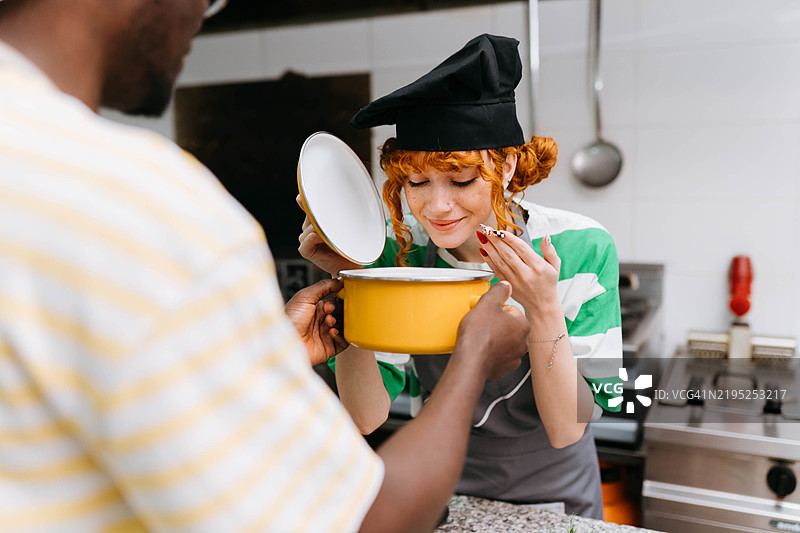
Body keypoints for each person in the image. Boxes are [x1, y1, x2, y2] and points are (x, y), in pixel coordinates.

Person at [0, 2, 531, 532]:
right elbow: (367, 521)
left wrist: (267, 354)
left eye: (459, 180)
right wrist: (474, 359)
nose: (206, 12)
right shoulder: (148, 206)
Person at [298, 33, 623, 519]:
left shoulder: (579, 247)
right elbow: (366, 417)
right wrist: (355, 285)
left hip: (555, 495)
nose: (437, 206)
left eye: (462, 180)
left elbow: (566, 428)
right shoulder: (400, 252)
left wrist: (544, 308)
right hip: (439, 481)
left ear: (507, 165)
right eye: (416, 182)